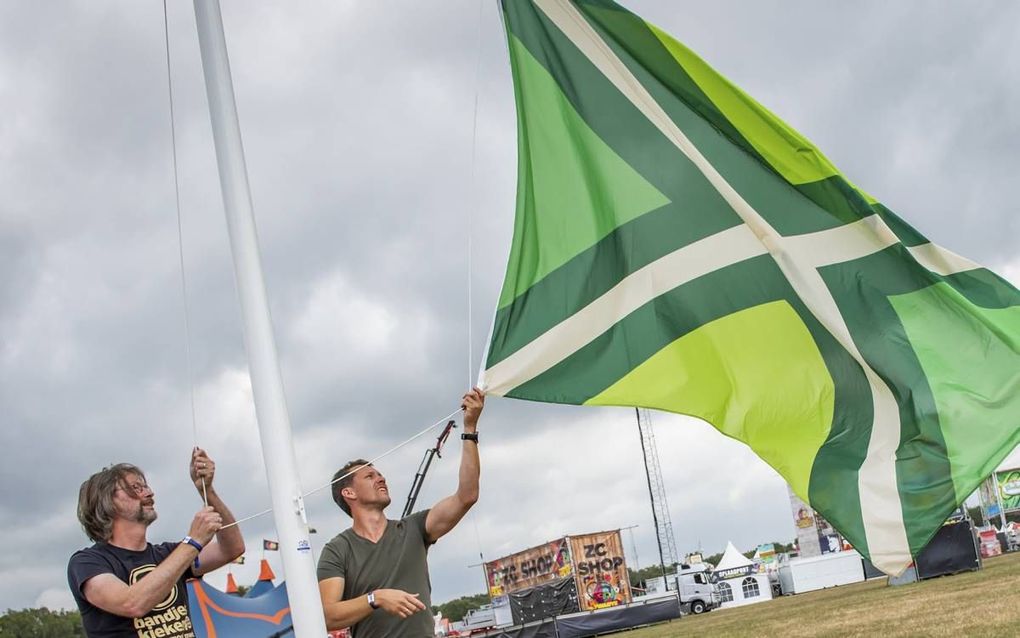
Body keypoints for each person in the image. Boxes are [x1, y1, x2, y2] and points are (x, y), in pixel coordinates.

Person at [318, 388, 485, 637]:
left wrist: (469, 429)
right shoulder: (337, 550)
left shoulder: (414, 528)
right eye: (369, 475)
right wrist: (375, 598)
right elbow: (327, 616)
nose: (381, 477)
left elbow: (467, 495)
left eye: (379, 473)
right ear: (349, 493)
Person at [67, 448, 245, 638]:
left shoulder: (169, 554)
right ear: (107, 502)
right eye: (136, 488)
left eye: (146, 486)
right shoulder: (87, 562)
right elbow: (131, 603)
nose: (150, 493)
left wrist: (207, 490)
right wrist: (193, 542)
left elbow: (232, 549)